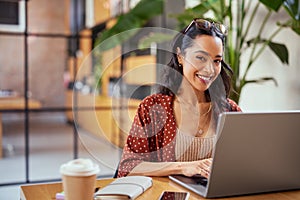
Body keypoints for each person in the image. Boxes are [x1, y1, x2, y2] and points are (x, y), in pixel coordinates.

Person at [116, 18, 241, 178]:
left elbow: (244, 162)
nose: (210, 69)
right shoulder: (152, 108)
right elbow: (128, 166)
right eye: (201, 58)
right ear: (180, 56)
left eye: (216, 61)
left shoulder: (230, 110)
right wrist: (183, 167)